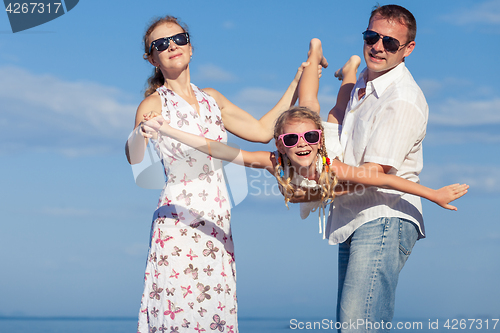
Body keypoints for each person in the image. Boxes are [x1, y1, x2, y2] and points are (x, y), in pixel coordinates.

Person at [125, 16, 308, 333]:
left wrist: (295, 83)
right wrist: (140, 133)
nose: (171, 46)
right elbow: (134, 158)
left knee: (214, 316)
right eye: (160, 44)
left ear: (191, 48)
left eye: (179, 39)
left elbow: (263, 131)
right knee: (178, 316)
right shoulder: (152, 104)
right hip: (178, 225)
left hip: (217, 223)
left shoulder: (213, 99)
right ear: (152, 58)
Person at [325, 5, 436, 331]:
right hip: (354, 215)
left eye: (390, 43)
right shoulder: (365, 84)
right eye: (372, 37)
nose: (378, 47)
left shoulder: (401, 98)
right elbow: (337, 120)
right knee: (351, 325)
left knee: (358, 326)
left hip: (384, 215)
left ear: (408, 49)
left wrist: (323, 178)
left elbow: (375, 173)